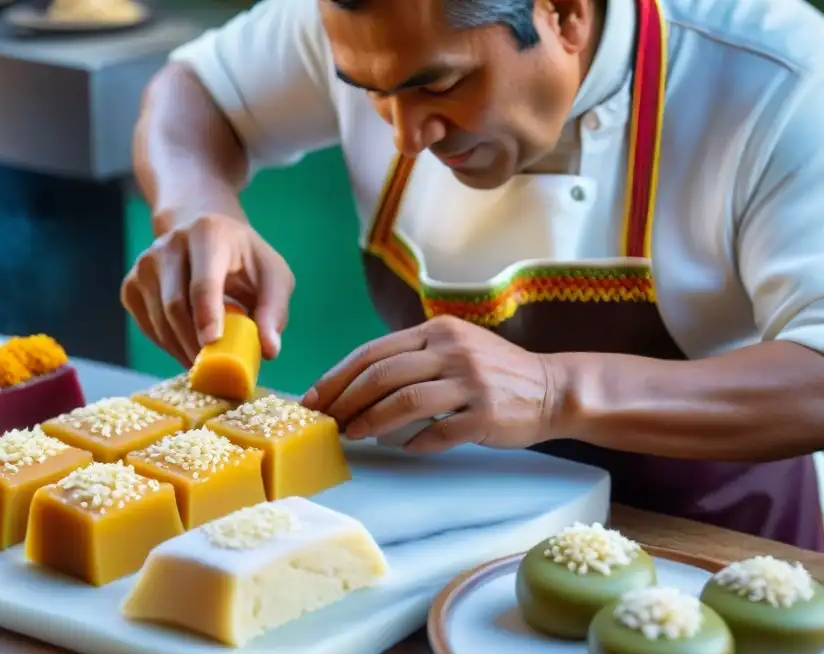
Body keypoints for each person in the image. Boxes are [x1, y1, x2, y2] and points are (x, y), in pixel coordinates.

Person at [122, 0, 824, 551]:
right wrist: (195, 210)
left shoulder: (775, 74)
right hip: (453, 536)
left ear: (564, 13)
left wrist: (555, 390)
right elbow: (195, 89)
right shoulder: (364, 25)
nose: (405, 136)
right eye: (369, 92)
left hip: (708, 544)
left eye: (443, 84)